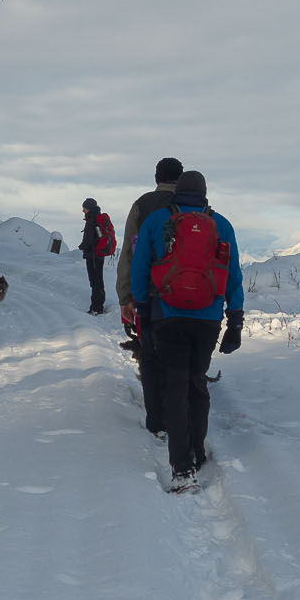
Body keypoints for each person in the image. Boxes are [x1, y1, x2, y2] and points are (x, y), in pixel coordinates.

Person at [130, 169, 243, 489]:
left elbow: (140, 270)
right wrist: (235, 320)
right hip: (208, 318)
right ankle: (197, 449)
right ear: (205, 194)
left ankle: (182, 468)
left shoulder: (158, 222)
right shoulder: (221, 224)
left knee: (175, 384)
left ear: (177, 192)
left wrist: (143, 313)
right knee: (197, 382)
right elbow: (233, 275)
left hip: (167, 314)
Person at [117, 156, 184, 437]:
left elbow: (129, 254)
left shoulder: (142, 205)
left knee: (150, 354)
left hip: (148, 295)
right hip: (186, 295)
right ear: (179, 178)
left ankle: (156, 420)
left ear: (156, 177)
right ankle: (180, 415)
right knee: (180, 356)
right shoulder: (194, 205)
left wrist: (125, 297)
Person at [79, 196, 116, 313]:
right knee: (98, 280)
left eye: (84, 208)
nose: (83, 210)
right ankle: (98, 305)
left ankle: (96, 308)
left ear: (88, 208)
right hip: (98, 254)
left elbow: (89, 240)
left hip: (93, 255)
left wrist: (83, 246)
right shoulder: (98, 219)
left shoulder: (92, 220)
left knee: (95, 281)